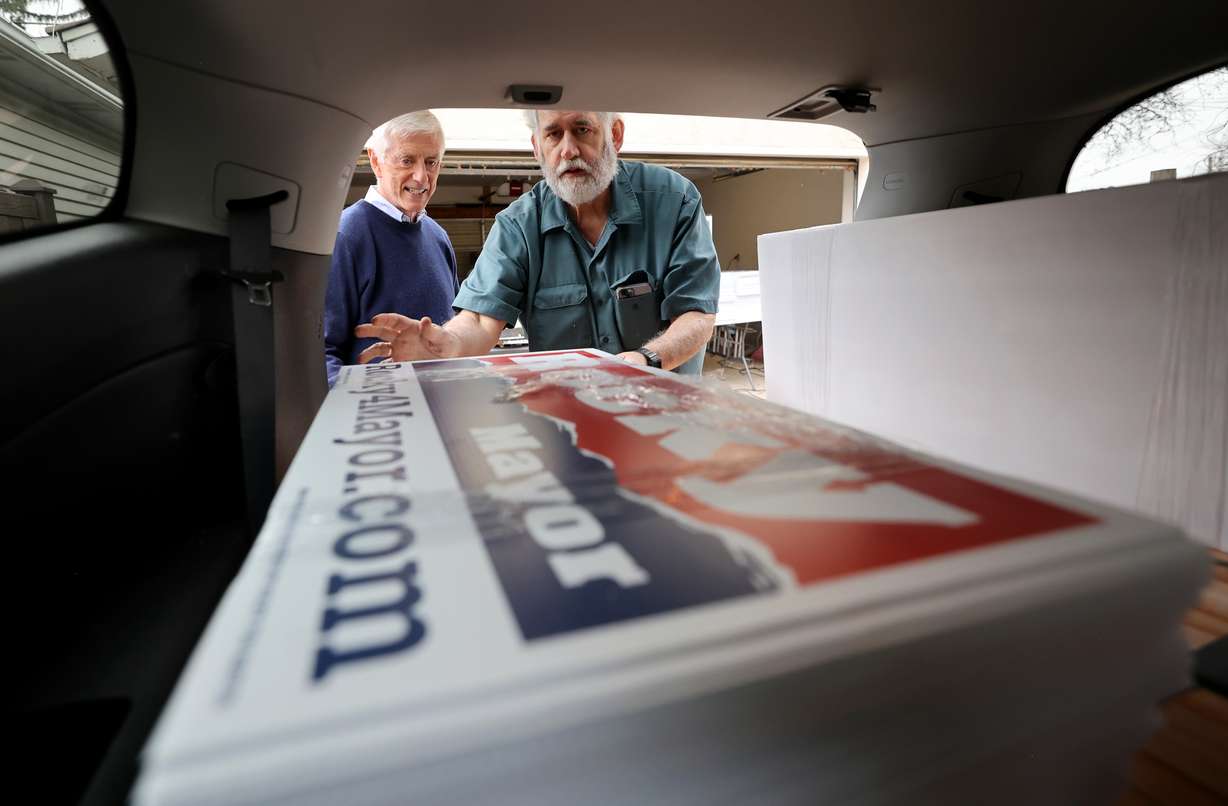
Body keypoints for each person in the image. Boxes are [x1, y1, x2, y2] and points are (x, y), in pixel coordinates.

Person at [355, 110, 718, 374]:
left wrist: (646, 360)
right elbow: (480, 322)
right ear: (537, 148)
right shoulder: (517, 226)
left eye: (582, 129)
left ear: (615, 135)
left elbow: (697, 315)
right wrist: (445, 344)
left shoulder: (675, 201)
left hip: (666, 417)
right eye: (553, 135)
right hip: (569, 424)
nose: (568, 149)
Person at [324, 110, 458, 386]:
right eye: (407, 160)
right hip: (380, 419)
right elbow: (322, 355)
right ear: (376, 162)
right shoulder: (345, 235)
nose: (421, 176)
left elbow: (454, 335)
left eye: (431, 162)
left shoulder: (439, 237)